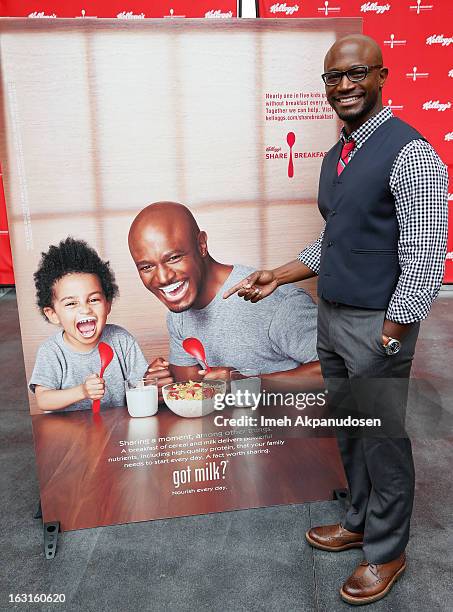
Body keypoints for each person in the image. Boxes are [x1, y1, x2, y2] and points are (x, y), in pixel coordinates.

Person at [224, 34, 448, 605]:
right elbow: (333, 240)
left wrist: (395, 330)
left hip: (377, 324)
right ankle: (358, 520)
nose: (343, 86)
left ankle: (387, 550)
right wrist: (279, 274)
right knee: (352, 433)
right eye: (332, 78)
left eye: (356, 74)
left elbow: (425, 252)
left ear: (381, 76)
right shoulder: (336, 156)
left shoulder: (410, 151)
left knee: (385, 441)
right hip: (333, 318)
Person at [127, 201, 322, 394]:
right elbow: (190, 384)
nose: (162, 278)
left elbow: (340, 371)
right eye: (146, 267)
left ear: (201, 244)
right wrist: (162, 382)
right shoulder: (179, 313)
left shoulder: (276, 302)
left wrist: (245, 383)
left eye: (173, 258)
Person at [29, 237, 148, 412]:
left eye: (93, 299)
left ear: (107, 304)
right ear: (53, 314)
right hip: (70, 435)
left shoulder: (121, 340)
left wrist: (153, 375)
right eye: (71, 303)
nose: (85, 310)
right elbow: (44, 400)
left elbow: (141, 384)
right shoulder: (51, 351)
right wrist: (82, 391)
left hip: (116, 429)